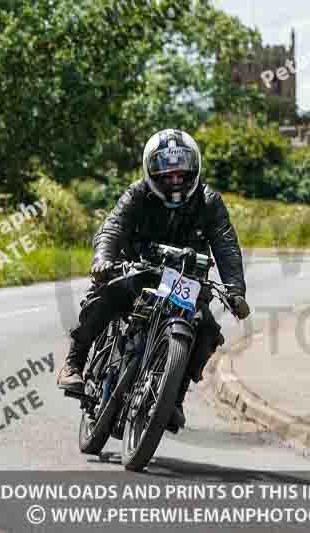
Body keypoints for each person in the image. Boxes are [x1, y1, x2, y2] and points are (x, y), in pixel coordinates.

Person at [57, 128, 250, 431]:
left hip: (186, 279)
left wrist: (236, 290)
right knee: (105, 296)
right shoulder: (137, 193)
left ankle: (173, 397)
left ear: (194, 169)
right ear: (151, 170)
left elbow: (226, 246)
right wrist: (103, 259)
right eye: (166, 173)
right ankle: (75, 361)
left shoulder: (209, 201)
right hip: (137, 270)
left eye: (181, 173)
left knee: (208, 329)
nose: (174, 180)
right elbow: (113, 227)